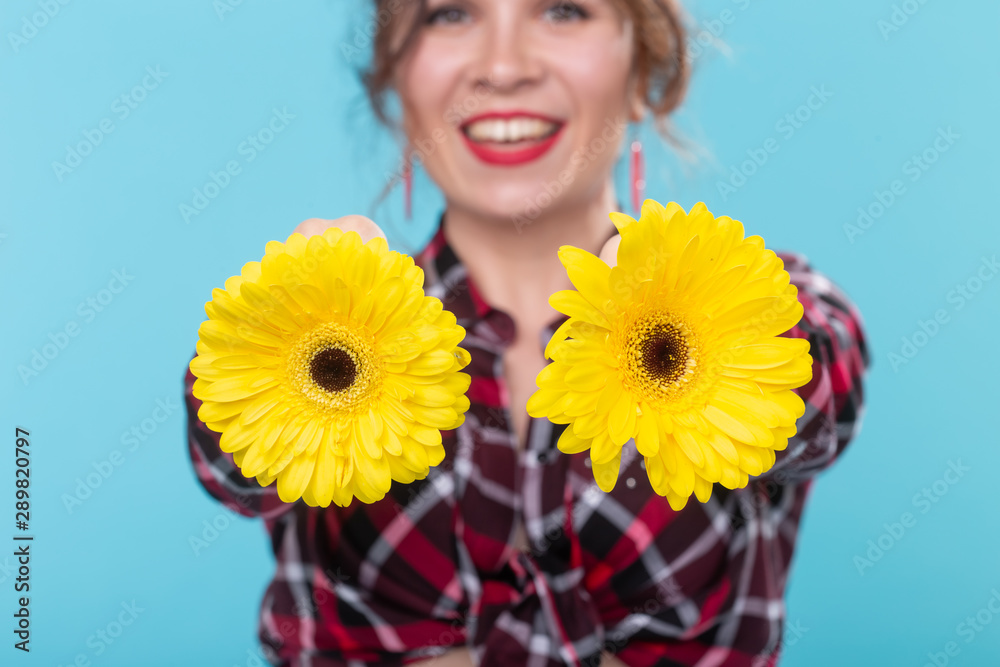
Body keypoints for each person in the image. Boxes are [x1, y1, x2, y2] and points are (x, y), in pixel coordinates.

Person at [183, 1, 871, 665]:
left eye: (565, 9)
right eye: (449, 12)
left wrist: (695, 320)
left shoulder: (766, 303)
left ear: (647, 71)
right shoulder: (301, 326)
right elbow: (227, 459)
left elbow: (821, 397)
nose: (504, 66)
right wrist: (277, 322)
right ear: (396, 82)